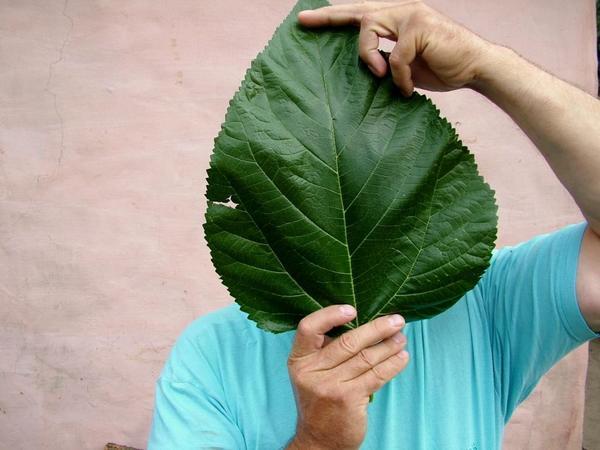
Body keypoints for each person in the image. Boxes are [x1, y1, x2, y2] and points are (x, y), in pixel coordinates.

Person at [147, 2, 600, 449]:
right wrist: (317, 442)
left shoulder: (487, 303)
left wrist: (486, 65)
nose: (341, 193)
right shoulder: (211, 355)